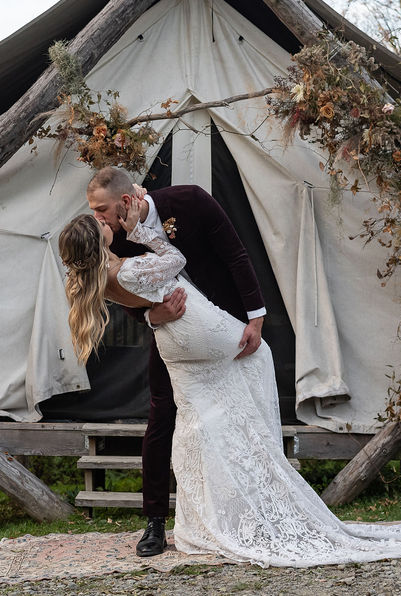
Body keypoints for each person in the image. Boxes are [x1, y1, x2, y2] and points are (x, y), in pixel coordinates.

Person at [59, 199, 401, 567]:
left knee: (197, 424)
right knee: (258, 357)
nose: (110, 228)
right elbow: (175, 258)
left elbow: (136, 300)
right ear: (99, 243)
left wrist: (152, 314)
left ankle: (203, 522)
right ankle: (261, 482)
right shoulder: (129, 265)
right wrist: (144, 233)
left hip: (172, 343)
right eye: (103, 227)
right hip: (193, 329)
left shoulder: (95, 279)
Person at [85, 167, 266, 557]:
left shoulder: (190, 201)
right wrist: (152, 318)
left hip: (227, 322)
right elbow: (123, 291)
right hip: (175, 336)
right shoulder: (113, 242)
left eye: (102, 209)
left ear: (127, 202)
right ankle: (154, 523)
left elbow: (235, 255)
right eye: (93, 211)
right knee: (161, 417)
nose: (98, 218)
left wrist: (256, 316)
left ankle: (250, 508)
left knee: (241, 406)